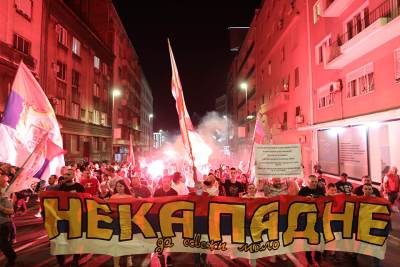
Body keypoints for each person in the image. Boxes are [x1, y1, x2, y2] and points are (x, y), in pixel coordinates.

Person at [56, 168, 85, 267]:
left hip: (76, 217)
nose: (65, 176)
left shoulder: (79, 187)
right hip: (62, 217)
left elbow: (85, 201)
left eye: (68, 174)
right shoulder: (60, 187)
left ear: (73, 176)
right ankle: (61, 261)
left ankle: (75, 260)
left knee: (76, 239)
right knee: (61, 238)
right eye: (64, 174)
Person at [299, 175, 325, 267]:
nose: (314, 183)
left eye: (315, 181)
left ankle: (318, 258)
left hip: (319, 218)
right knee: (308, 239)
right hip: (307, 218)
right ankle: (309, 259)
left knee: (320, 238)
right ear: (308, 182)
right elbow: (298, 205)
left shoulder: (321, 190)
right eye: (312, 182)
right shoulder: (303, 191)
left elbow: (325, 201)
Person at [153, 176, 177, 267]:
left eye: (168, 181)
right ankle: (160, 253)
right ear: (162, 182)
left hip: (170, 218)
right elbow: (153, 203)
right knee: (160, 236)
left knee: (170, 236)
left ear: (170, 182)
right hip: (159, 217)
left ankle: (169, 256)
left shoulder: (174, 192)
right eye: (164, 181)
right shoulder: (157, 192)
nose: (166, 183)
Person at [110, 180, 134, 267]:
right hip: (116, 222)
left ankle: (129, 257)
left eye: (121, 186)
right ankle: (116, 264)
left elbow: (134, 209)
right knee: (116, 242)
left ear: (125, 187)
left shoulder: (130, 197)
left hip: (127, 221)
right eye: (117, 186)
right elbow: (111, 211)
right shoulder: (113, 197)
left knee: (127, 240)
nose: (119, 188)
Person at [0, 175, 17, 267]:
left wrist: (1, 208)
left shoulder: (5, 198)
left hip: (4, 224)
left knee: (3, 244)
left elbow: (11, 211)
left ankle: (12, 257)